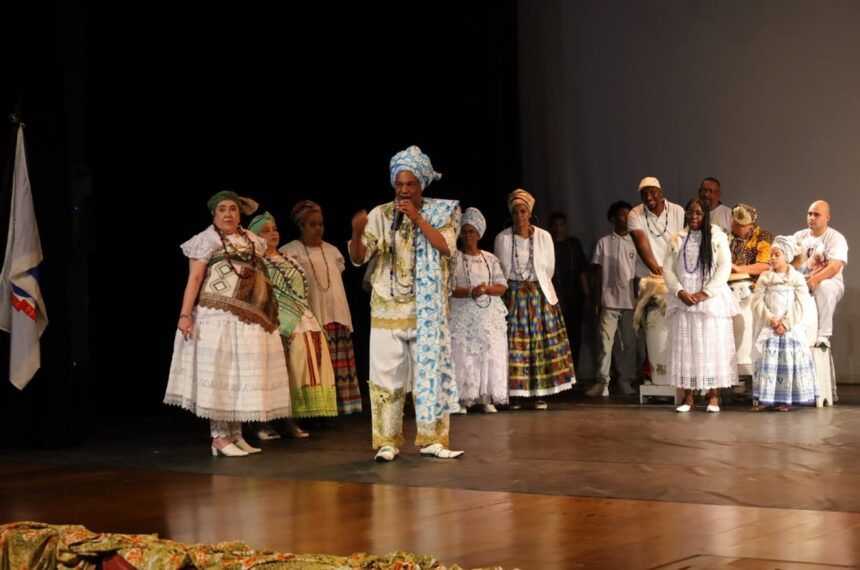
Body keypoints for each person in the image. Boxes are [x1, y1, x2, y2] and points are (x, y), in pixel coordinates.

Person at [348, 145, 463, 462]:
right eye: (399, 184)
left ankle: (433, 440)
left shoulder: (441, 212)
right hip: (387, 306)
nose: (403, 190)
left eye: (410, 184)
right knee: (386, 377)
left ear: (422, 184)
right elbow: (359, 258)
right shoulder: (381, 215)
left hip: (427, 309)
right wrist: (357, 233)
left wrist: (418, 219)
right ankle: (387, 441)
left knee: (429, 375)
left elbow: (446, 248)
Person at [165, 192, 291, 457]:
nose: (228, 214)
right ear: (214, 215)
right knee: (221, 372)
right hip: (216, 316)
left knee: (238, 374)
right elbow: (195, 278)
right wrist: (185, 316)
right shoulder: (205, 240)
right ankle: (219, 437)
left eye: (233, 209)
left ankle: (235, 434)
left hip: (245, 318)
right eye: (222, 209)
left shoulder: (253, 240)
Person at [250, 211, 338, 436]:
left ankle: (292, 419)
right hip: (277, 319)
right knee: (284, 370)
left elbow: (301, 292)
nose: (272, 234)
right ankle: (269, 421)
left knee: (307, 364)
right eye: (265, 231)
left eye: (274, 229)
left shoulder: (288, 259)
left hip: (303, 317)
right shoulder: (257, 263)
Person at [493, 189, 575, 410]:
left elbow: (548, 267)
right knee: (516, 343)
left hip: (539, 294)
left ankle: (540, 393)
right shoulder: (502, 238)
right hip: (514, 295)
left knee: (540, 342)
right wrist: (517, 286)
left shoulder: (544, 236)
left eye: (523, 211)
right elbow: (500, 268)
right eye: (515, 212)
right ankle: (516, 394)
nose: (519, 216)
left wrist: (532, 283)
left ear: (529, 213)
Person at [280, 201, 363, 415]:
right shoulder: (290, 251)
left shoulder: (332, 250)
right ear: (301, 226)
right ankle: (317, 411)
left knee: (339, 362)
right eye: (312, 224)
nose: (318, 228)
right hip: (313, 316)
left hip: (337, 313)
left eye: (321, 224)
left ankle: (341, 407)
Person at [663, 198, 738, 413]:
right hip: (684, 300)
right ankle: (688, 398)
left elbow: (724, 267)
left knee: (711, 346)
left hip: (710, 301)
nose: (693, 217)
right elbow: (667, 269)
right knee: (687, 346)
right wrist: (680, 292)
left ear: (705, 215)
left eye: (698, 213)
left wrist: (705, 292)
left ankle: (713, 398)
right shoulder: (678, 238)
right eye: (690, 213)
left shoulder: (717, 236)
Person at [449, 207, 509, 413]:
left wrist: (485, 289)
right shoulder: (454, 259)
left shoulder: (490, 259)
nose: (468, 235)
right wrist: (469, 292)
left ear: (479, 233)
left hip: (488, 314)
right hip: (462, 313)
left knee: (489, 353)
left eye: (472, 231)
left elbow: (501, 287)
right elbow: (448, 288)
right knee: (464, 354)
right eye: (464, 231)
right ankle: (464, 398)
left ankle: (486, 397)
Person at [751, 236, 818, 411]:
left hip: (788, 328)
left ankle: (784, 399)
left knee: (787, 363)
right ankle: (766, 398)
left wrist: (786, 323)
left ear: (786, 256)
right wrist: (770, 319)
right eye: (771, 255)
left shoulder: (796, 278)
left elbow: (801, 303)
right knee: (768, 363)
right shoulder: (765, 277)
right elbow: (757, 301)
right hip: (770, 326)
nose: (772, 258)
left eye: (776, 255)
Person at [588, 201, 638, 397]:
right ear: (613, 218)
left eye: (628, 214)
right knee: (604, 343)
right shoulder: (604, 242)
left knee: (628, 344)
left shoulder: (636, 241)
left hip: (631, 301)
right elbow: (597, 272)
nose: (625, 217)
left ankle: (626, 381)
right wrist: (596, 299)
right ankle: (602, 382)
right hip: (608, 301)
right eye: (622, 214)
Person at [793, 200, 848, 348]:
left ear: (827, 218)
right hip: (801, 281)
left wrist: (816, 279)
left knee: (825, 287)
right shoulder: (799, 236)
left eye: (816, 214)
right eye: (809, 214)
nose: (811, 217)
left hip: (829, 282)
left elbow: (835, 266)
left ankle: (823, 335)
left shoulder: (835, 237)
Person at [549, 211, 590, 367]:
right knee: (557, 334)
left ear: (565, 226)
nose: (558, 228)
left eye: (561, 224)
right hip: (555, 295)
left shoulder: (573, 244)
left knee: (574, 334)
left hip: (574, 295)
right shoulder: (548, 244)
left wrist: (586, 295)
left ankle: (574, 370)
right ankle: (559, 370)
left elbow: (582, 270)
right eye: (555, 225)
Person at [627, 176, 686, 280]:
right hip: (647, 276)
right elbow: (641, 245)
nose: (648, 197)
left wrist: (671, 271)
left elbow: (683, 242)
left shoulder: (678, 211)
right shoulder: (634, 214)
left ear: (660, 192)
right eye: (644, 194)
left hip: (674, 274)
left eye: (652, 192)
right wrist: (657, 271)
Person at [729, 203, 774, 281]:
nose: (732, 224)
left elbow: (765, 266)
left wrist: (738, 269)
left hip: (755, 287)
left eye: (736, 224)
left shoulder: (764, 237)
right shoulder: (729, 238)